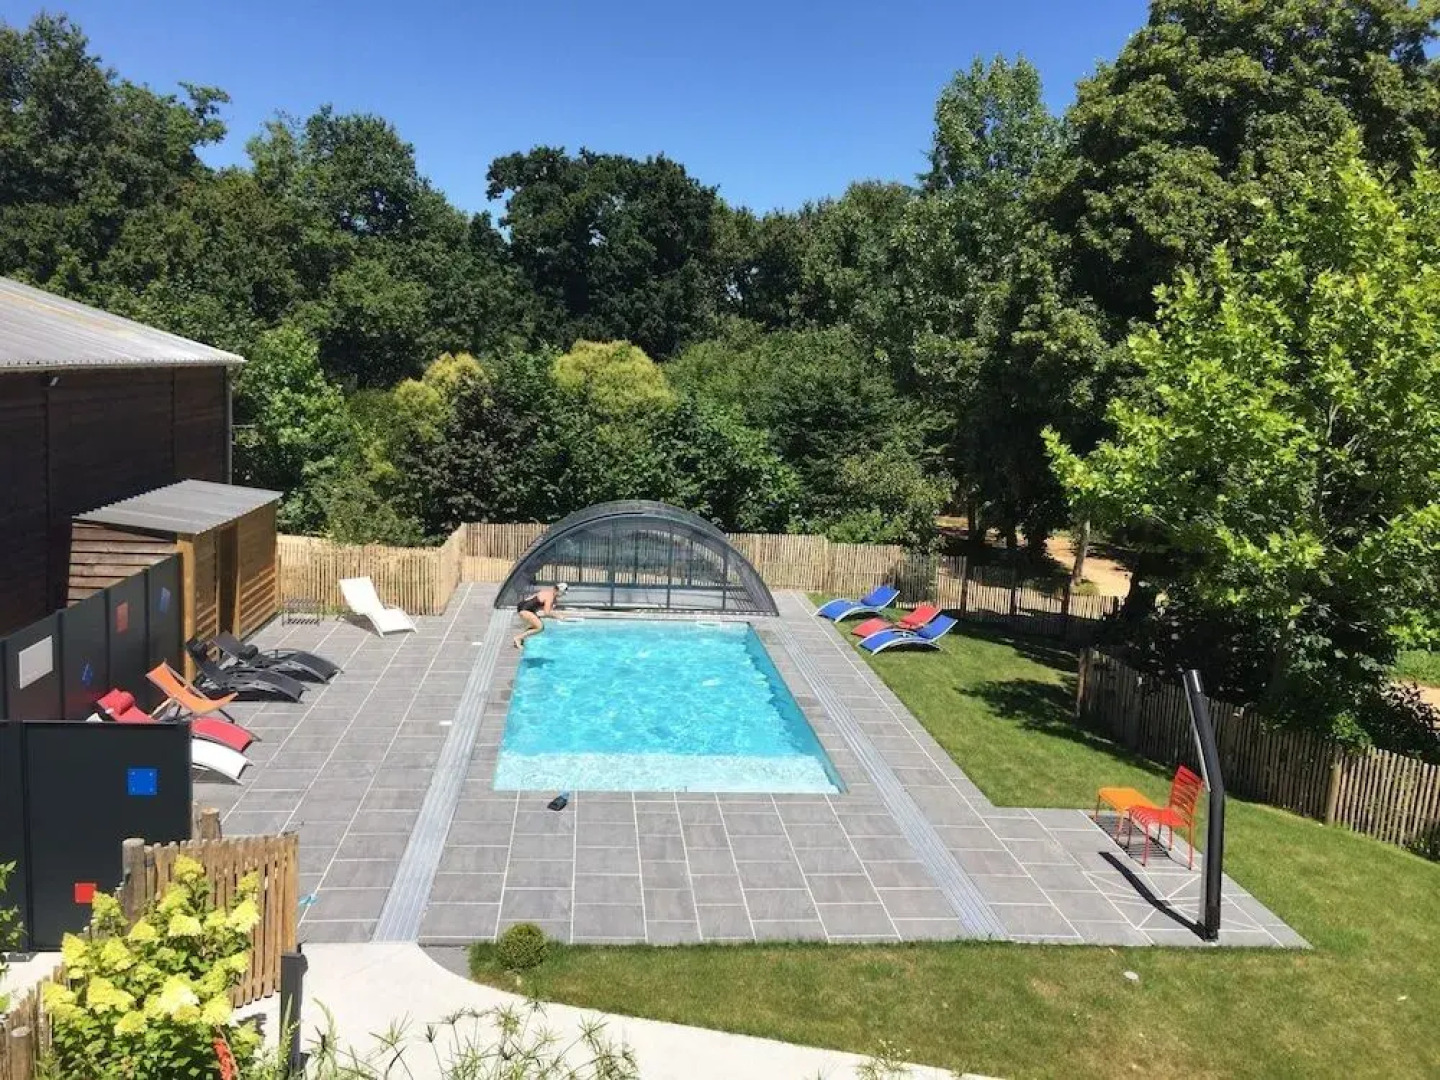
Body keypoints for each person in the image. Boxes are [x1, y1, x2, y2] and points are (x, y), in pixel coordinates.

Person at [514, 582, 568, 649]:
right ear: (558, 591)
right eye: (562, 594)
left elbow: (531, 599)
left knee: (534, 625)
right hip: (525, 609)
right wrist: (558, 616)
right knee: (540, 627)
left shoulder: (548, 593)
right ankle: (518, 638)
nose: (562, 596)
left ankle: (521, 638)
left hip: (524, 606)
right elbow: (546, 612)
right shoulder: (550, 597)